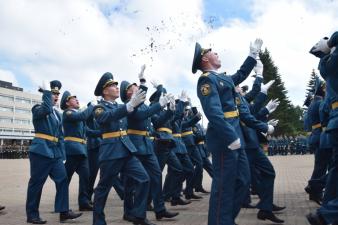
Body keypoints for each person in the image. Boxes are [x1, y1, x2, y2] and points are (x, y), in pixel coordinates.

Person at [193, 38, 264, 225]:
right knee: (224, 185)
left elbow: (240, 75)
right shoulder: (206, 81)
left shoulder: (222, 78)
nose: (216, 53)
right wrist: (231, 136)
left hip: (235, 135)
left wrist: (252, 56)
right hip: (225, 138)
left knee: (242, 180)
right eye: (212, 51)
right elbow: (214, 113)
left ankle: (225, 220)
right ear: (205, 60)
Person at [92, 72, 154, 225]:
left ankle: (138, 216)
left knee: (144, 179)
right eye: (113, 86)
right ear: (105, 91)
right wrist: (130, 105)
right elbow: (107, 117)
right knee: (103, 189)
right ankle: (98, 221)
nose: (116, 87)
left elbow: (137, 102)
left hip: (126, 149)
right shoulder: (99, 108)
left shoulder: (122, 106)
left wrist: (143, 84)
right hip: (111, 152)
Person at [26, 80, 82, 224]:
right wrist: (45, 93)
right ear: (46, 95)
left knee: (62, 179)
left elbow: (61, 136)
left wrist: (62, 155)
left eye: (57, 94)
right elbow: (46, 109)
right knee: (37, 183)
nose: (56, 96)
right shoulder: (37, 108)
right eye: (53, 94)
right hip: (41, 151)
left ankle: (63, 211)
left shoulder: (57, 114)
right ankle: (32, 214)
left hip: (55, 154)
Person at [61, 91, 94, 211]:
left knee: (86, 176)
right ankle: (61, 205)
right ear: (67, 102)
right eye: (73, 99)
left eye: (77, 98)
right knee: (65, 179)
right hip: (71, 150)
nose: (77, 100)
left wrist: (103, 133)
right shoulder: (67, 113)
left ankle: (83, 202)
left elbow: (88, 132)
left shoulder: (78, 116)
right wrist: (92, 106)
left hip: (82, 151)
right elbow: (83, 116)